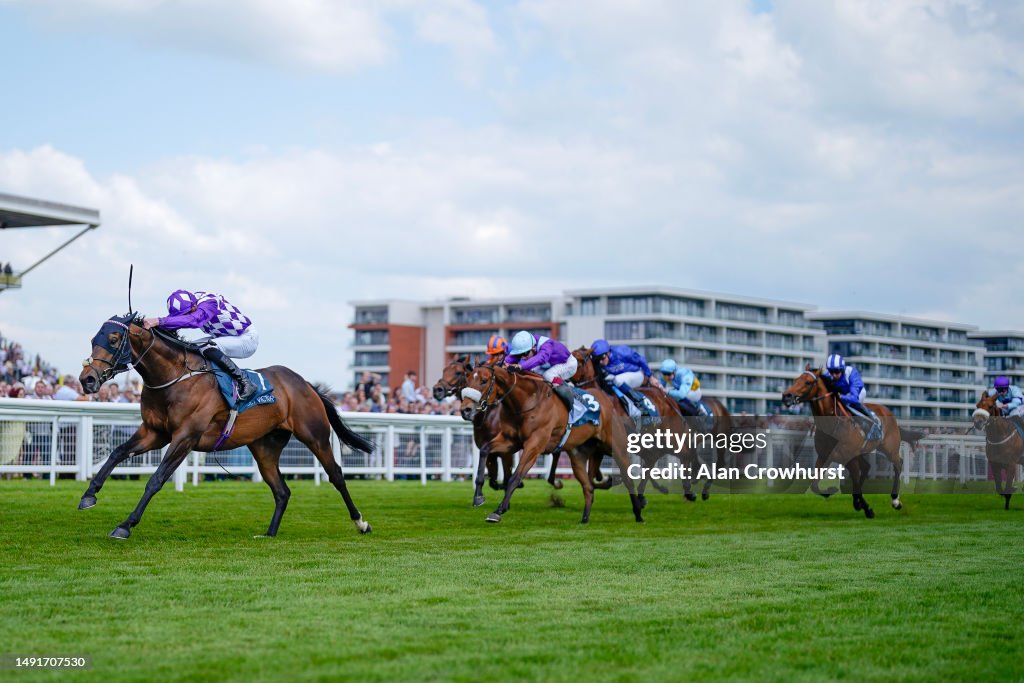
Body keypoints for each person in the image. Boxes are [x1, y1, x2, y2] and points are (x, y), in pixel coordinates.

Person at [143, 289, 258, 401]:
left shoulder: (209, 303)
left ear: (194, 306)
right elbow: (177, 321)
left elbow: (194, 320)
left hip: (246, 338)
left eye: (187, 313)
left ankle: (245, 381)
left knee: (207, 347)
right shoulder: (191, 303)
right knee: (188, 348)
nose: (185, 316)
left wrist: (159, 321)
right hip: (225, 337)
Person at [504, 330, 576, 407]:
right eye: (520, 355)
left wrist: (521, 366)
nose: (523, 357)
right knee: (531, 372)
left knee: (548, 375)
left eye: (525, 354)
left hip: (568, 364)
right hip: (551, 365)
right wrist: (503, 363)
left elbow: (540, 358)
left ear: (534, 348)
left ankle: (568, 392)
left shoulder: (547, 345)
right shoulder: (529, 343)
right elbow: (513, 357)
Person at [825, 353, 880, 440]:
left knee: (848, 405)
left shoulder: (851, 373)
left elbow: (854, 398)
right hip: (842, 393)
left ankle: (872, 419)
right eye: (831, 372)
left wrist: (840, 396)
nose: (834, 375)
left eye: (836, 371)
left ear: (842, 370)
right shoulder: (828, 376)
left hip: (857, 394)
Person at [590, 339, 652, 415]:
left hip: (636, 374)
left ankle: (638, 404)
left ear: (608, 353)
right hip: (618, 382)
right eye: (597, 360)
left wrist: (649, 376)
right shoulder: (600, 363)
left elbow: (641, 359)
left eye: (602, 358)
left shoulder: (621, 351)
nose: (600, 362)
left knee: (617, 380)